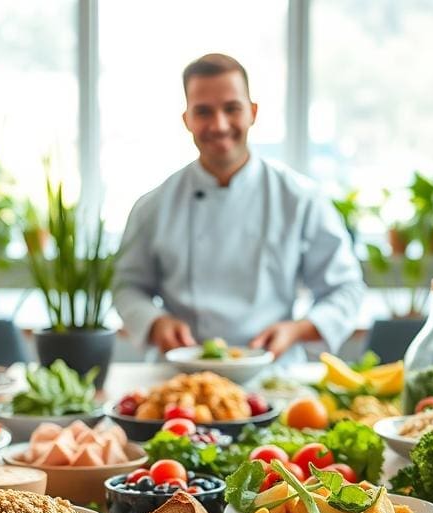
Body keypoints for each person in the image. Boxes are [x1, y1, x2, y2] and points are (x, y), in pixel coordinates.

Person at [113, 52, 365, 363]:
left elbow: (346, 288)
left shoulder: (300, 199)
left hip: (272, 375)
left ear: (253, 112)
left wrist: (297, 330)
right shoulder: (153, 206)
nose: (219, 125)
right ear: (187, 119)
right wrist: (156, 322)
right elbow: (127, 286)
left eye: (232, 108)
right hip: (178, 377)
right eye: (203, 112)